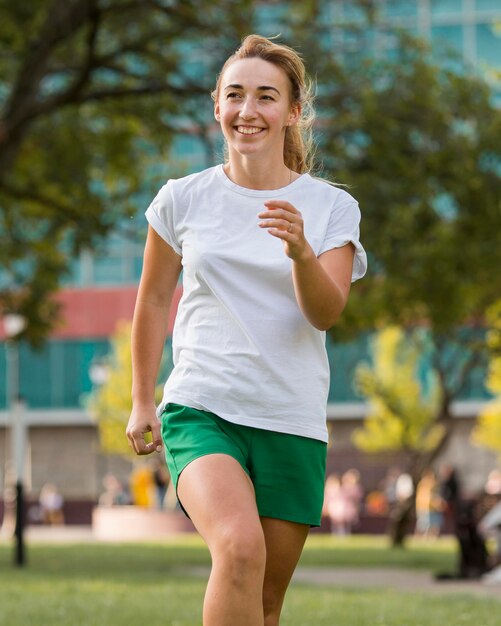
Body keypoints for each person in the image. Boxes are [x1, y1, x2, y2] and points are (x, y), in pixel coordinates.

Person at [126, 34, 367, 626]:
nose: (248, 110)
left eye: (266, 97)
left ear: (292, 112)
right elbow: (154, 299)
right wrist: (140, 399)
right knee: (238, 548)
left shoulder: (331, 206)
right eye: (235, 95)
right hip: (202, 405)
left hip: (290, 416)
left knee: (263, 603)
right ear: (217, 106)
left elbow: (326, 313)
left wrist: (302, 254)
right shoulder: (181, 199)